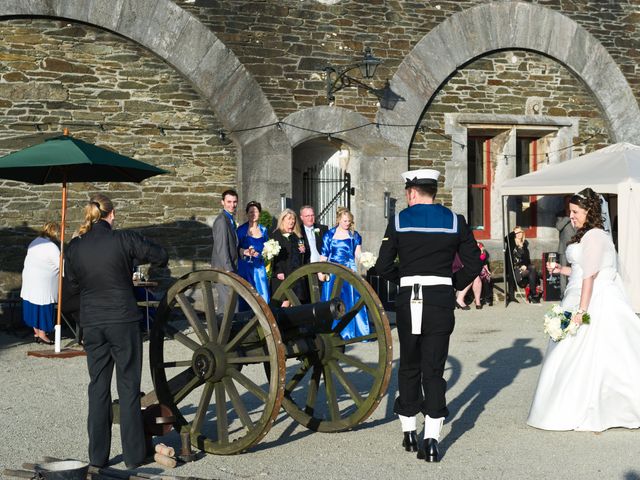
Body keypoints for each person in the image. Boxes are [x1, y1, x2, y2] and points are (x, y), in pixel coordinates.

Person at [375, 169, 481, 463]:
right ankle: (432, 440)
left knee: (409, 365)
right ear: (433, 191)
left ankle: (409, 432)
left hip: (410, 298)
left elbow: (382, 266)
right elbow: (474, 262)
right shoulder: (454, 221)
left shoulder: (398, 221)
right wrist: (454, 284)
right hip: (440, 300)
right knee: (433, 369)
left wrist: (404, 278)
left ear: (411, 192)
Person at [65, 194, 168, 469]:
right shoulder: (124, 239)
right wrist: (135, 269)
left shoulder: (75, 247)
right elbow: (160, 254)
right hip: (122, 319)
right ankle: (134, 456)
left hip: (94, 323)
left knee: (98, 387)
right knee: (128, 387)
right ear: (111, 214)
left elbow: (70, 289)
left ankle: (98, 457)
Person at [528, 187, 640, 431]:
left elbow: (590, 276)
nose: (572, 216)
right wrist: (561, 270)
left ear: (589, 211)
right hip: (580, 293)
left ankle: (589, 405)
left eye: (576, 211)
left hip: (593, 299)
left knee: (590, 352)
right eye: (570, 211)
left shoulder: (595, 236)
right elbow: (581, 270)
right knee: (570, 353)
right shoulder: (587, 236)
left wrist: (581, 311)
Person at [320, 207, 369, 339]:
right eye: (345, 220)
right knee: (333, 299)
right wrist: (321, 272)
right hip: (334, 271)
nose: (347, 223)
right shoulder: (329, 235)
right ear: (338, 220)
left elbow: (357, 254)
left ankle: (352, 332)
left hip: (349, 270)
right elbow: (324, 256)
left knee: (352, 299)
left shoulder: (355, 235)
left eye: (349, 221)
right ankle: (332, 330)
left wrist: (365, 259)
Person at [20, 221, 60, 345]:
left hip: (30, 280)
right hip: (43, 284)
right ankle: (42, 334)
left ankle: (36, 332)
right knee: (43, 307)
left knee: (33, 306)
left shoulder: (35, 241)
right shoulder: (51, 247)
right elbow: (61, 265)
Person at [237, 201, 270, 308]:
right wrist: (245, 251)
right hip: (245, 268)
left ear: (259, 213)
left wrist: (261, 255)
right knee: (246, 297)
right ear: (247, 214)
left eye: (255, 211)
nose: (253, 214)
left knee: (262, 296)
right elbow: (235, 248)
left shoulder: (264, 230)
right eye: (250, 212)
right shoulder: (241, 230)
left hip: (259, 269)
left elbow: (267, 249)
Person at [270, 208, 306, 306]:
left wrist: (302, 251)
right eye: (289, 218)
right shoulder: (276, 235)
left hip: (294, 274)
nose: (292, 221)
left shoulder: (296, 236)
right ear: (283, 220)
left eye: (293, 219)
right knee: (284, 302)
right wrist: (278, 272)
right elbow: (273, 256)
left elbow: (299, 257)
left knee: (294, 302)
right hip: (282, 274)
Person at [211, 189, 239, 311]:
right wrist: (229, 271)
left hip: (229, 268)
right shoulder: (222, 221)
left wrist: (244, 252)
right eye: (229, 202)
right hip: (223, 270)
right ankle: (231, 330)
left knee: (225, 307)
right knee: (232, 305)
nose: (232, 205)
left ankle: (219, 330)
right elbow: (222, 248)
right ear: (222, 202)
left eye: (234, 202)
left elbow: (232, 245)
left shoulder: (230, 219)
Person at [506, 226, 540, 303]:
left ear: (522, 233)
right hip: (515, 271)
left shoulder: (524, 244)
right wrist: (515, 232)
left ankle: (533, 294)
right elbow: (506, 238)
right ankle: (533, 295)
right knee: (532, 270)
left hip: (524, 270)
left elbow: (527, 259)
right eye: (516, 232)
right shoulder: (511, 242)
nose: (519, 234)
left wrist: (524, 265)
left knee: (532, 267)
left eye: (520, 232)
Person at [455, 242, 492, 310]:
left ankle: (476, 302)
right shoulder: (463, 250)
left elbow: (483, 260)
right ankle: (477, 302)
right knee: (474, 277)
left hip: (475, 271)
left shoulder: (479, 249)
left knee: (475, 277)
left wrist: (485, 265)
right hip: (463, 271)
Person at [555, 196, 577, 294]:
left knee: (575, 271)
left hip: (576, 248)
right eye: (566, 202)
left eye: (570, 201)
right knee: (562, 273)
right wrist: (568, 217)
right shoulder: (560, 214)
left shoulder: (577, 213)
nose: (568, 203)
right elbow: (558, 227)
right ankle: (563, 294)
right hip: (563, 248)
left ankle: (574, 292)